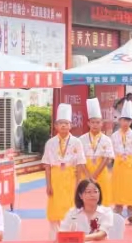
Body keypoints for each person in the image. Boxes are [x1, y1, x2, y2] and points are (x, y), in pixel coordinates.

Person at [43, 103, 86, 233]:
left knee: (71, 208)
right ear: (56, 126)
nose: (63, 126)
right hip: (56, 178)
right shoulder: (50, 143)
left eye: (66, 123)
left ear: (71, 126)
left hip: (70, 178)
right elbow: (47, 165)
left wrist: (78, 184)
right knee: (54, 209)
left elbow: (79, 164)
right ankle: (54, 237)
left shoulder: (76, 142)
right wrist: (48, 185)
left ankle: (72, 235)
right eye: (60, 123)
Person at [110, 101, 132, 225]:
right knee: (118, 189)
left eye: (128, 120)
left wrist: (130, 159)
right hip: (118, 167)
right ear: (120, 120)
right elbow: (111, 153)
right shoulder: (114, 136)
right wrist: (118, 158)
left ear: (131, 122)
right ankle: (117, 213)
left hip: (131, 168)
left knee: (131, 190)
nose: (125, 123)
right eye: (123, 120)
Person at [80, 99, 115, 208]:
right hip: (85, 173)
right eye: (93, 122)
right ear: (88, 123)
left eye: (98, 122)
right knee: (86, 201)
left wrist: (94, 175)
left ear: (102, 124)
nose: (95, 125)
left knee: (102, 200)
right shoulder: (82, 139)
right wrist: (88, 175)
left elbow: (107, 159)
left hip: (101, 173)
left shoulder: (106, 139)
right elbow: (80, 159)